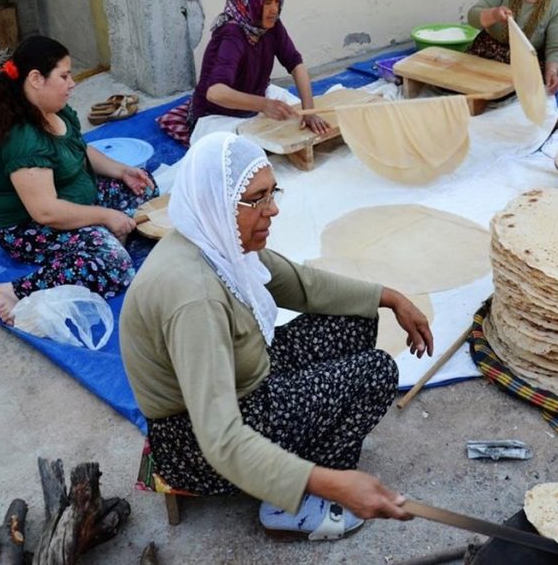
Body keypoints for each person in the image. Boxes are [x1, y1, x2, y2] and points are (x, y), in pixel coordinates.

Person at [120, 132, 434, 540]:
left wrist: (388, 297)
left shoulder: (215, 240)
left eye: (273, 193)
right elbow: (221, 437)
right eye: (257, 199)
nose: (273, 210)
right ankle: (292, 504)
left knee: (355, 318)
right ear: (218, 202)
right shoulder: (194, 297)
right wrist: (329, 481)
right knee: (375, 372)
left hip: (244, 378)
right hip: (194, 442)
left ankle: (306, 463)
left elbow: (301, 285)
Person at [0, 35, 158, 325]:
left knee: (144, 187)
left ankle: (106, 235)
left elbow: (77, 149)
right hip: (30, 228)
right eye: (64, 76)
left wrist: (122, 171)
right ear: (36, 79)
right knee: (114, 264)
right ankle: (16, 291)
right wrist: (105, 215)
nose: (72, 83)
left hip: (72, 198)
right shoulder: (22, 138)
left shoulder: (53, 108)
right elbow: (45, 212)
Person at [157, 0, 329, 146]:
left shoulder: (272, 26)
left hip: (253, 99)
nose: (274, 10)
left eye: (277, 2)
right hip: (218, 114)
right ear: (250, 2)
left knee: (294, 117)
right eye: (267, 2)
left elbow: (295, 64)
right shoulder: (231, 34)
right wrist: (264, 105)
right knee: (242, 148)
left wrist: (309, 111)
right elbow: (215, 92)